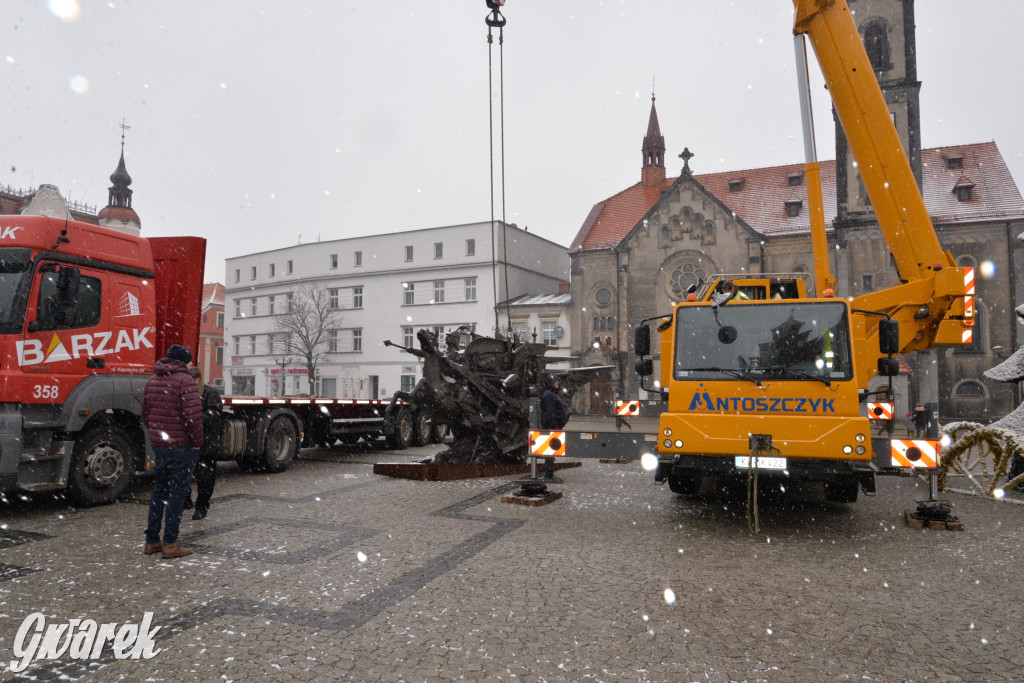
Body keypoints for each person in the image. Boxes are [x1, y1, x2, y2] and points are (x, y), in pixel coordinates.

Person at [142, 344, 203, 559]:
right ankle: (170, 543)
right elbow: (193, 418)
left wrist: (159, 435)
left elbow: (146, 415)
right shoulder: (185, 381)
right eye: (189, 362)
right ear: (183, 362)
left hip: (161, 445)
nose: (190, 366)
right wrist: (196, 442)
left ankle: (151, 541)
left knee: (159, 491)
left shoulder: (152, 380)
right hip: (181, 446)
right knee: (177, 493)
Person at [184, 367, 223, 520]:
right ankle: (186, 501)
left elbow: (214, 415)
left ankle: (201, 507)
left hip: (206, 443)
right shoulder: (185, 394)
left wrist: (194, 419)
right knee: (184, 474)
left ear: (198, 380)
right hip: (188, 443)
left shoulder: (210, 394)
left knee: (205, 478)